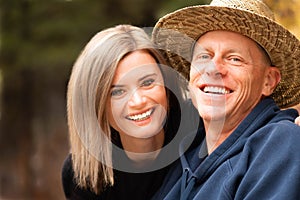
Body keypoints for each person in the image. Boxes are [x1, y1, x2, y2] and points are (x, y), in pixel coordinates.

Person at [151, 0, 300, 199]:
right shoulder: (188, 153)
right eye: (204, 57)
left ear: (268, 81)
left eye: (234, 59)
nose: (213, 69)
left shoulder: (281, 143)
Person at [61, 24, 199, 200]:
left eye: (148, 82)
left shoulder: (199, 126)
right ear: (95, 107)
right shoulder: (84, 175)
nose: (138, 101)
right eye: (117, 92)